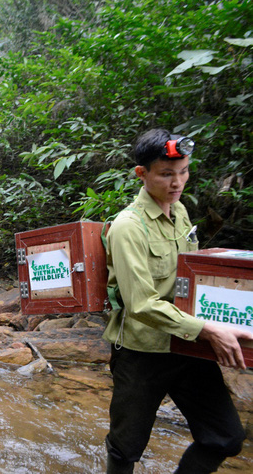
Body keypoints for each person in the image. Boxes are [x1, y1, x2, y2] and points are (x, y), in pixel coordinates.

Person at [103, 128, 252, 473]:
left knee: (225, 437)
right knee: (126, 448)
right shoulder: (128, 226)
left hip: (187, 345)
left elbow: (193, 278)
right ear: (142, 174)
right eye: (166, 174)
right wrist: (208, 330)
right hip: (141, 352)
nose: (177, 183)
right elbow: (141, 304)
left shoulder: (180, 212)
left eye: (183, 171)